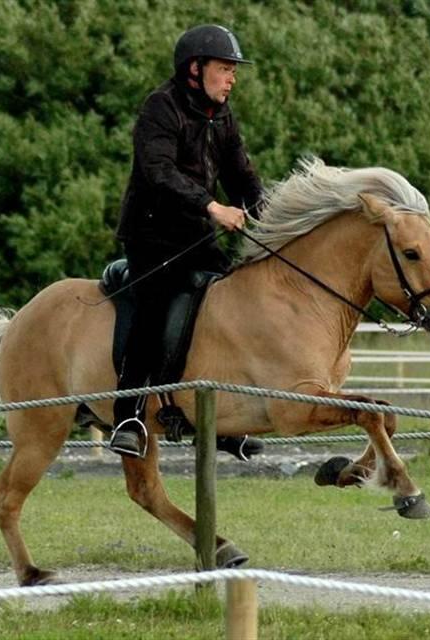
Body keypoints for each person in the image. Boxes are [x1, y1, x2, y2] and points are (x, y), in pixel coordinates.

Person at [110, 24, 265, 458]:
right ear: (195, 70)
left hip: (196, 237)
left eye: (234, 70)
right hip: (151, 236)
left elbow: (242, 176)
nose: (232, 78)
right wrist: (213, 207)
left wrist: (271, 219)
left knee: (231, 308)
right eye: (224, 69)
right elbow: (158, 173)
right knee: (155, 308)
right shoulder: (160, 108)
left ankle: (221, 422)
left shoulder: (223, 116)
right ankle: (128, 414)